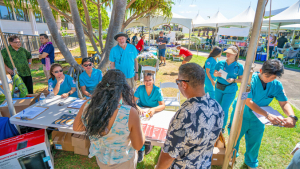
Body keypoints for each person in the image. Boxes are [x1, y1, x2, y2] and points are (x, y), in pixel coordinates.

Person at [228, 59, 297, 169]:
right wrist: (267, 115)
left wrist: (291, 116)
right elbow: (248, 101)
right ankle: (231, 156)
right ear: (260, 70)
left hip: (258, 119)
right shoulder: (249, 80)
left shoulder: (276, 85)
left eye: (273, 78)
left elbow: (284, 103)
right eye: (267, 76)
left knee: (255, 141)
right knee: (234, 138)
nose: (270, 80)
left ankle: (251, 162)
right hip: (241, 114)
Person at [155, 63, 224, 169]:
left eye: (177, 82)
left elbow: (169, 155)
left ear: (184, 84)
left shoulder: (185, 115)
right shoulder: (217, 107)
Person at [73, 69, 145, 169]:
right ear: (123, 89)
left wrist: (96, 125)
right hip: (124, 161)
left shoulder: (88, 105)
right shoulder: (130, 113)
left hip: (102, 159)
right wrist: (138, 122)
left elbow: (76, 127)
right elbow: (138, 146)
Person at [134, 73, 165, 162]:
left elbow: (162, 106)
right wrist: (137, 107)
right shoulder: (140, 89)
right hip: (142, 111)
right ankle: (141, 149)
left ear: (153, 80)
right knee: (139, 127)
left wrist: (154, 109)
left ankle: (147, 142)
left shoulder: (157, 90)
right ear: (144, 81)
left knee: (150, 127)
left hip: (153, 113)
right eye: (146, 80)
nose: (148, 82)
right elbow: (132, 101)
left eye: (150, 80)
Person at [214, 45, 244, 133]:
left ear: (235, 54)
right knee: (217, 108)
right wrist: (217, 74)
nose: (227, 54)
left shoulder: (239, 66)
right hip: (218, 88)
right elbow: (214, 73)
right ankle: (215, 124)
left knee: (223, 109)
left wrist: (234, 80)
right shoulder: (220, 63)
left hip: (230, 90)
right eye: (227, 52)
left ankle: (222, 127)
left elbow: (242, 79)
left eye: (230, 53)